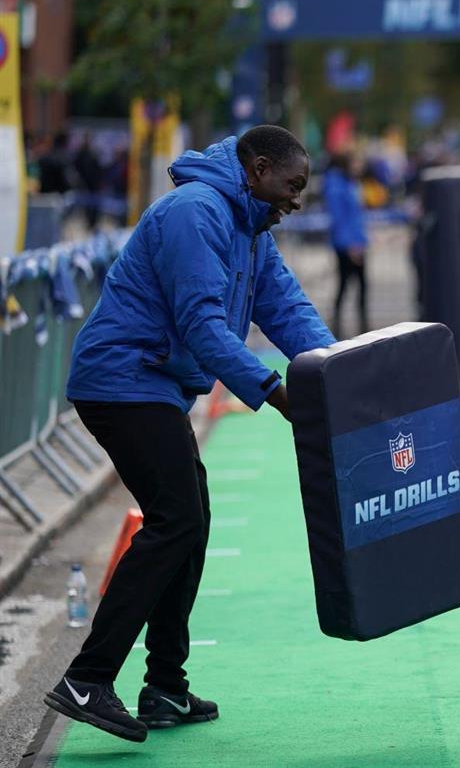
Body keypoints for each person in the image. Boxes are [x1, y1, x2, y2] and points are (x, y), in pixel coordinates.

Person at [44, 125, 335, 743]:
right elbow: (202, 327)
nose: (298, 200)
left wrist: (339, 370)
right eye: (293, 185)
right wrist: (279, 395)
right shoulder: (195, 213)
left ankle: (165, 688)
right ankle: (87, 677)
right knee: (176, 518)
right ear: (257, 169)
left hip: (152, 385)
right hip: (122, 382)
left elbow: (284, 308)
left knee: (189, 519)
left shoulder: (249, 227)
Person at [323, 152, 369, 338]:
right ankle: (338, 323)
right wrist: (351, 244)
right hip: (347, 245)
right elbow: (340, 218)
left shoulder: (351, 183)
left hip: (356, 241)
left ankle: (361, 322)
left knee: (360, 285)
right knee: (345, 284)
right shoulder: (336, 186)